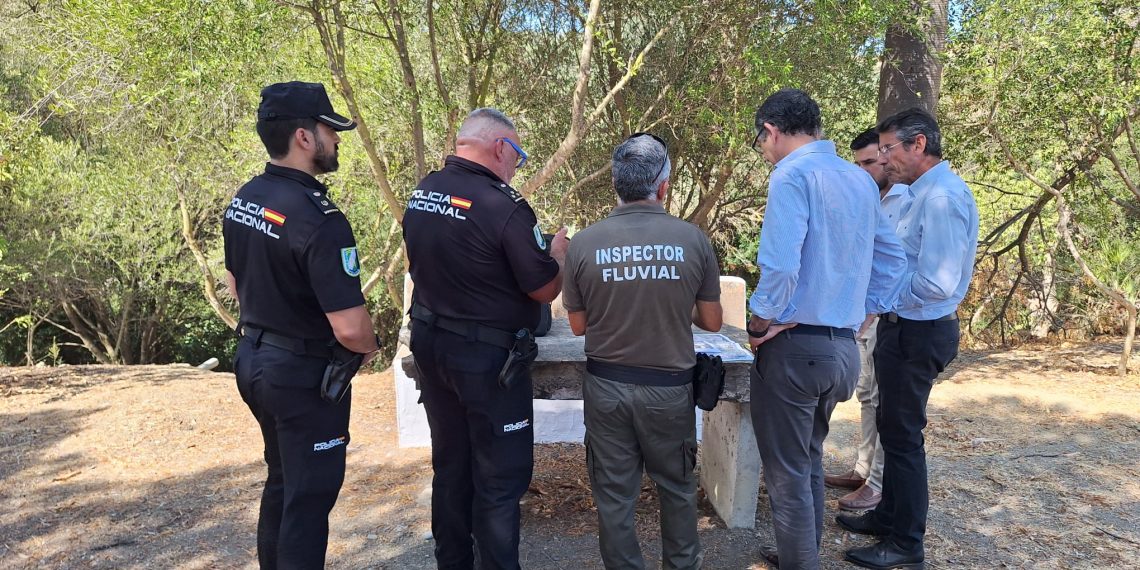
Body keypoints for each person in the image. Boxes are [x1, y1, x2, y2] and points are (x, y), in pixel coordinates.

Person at [744, 89, 907, 570]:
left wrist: (758, 323)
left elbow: (779, 264)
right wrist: (865, 311)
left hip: (794, 349)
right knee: (809, 456)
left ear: (771, 131)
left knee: (788, 473)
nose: (764, 151)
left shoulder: (792, 175)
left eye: (761, 142)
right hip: (841, 351)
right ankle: (803, 551)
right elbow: (894, 259)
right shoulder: (858, 180)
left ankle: (801, 562)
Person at [403, 108, 568, 570]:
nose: (518, 165)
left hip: (433, 348)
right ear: (500, 148)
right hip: (487, 362)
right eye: (518, 154)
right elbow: (542, 288)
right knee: (500, 480)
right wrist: (556, 255)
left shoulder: (423, 192)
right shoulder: (504, 205)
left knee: (451, 469)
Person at [224, 81, 380, 569]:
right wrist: (369, 347)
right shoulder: (321, 219)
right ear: (304, 138)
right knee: (309, 502)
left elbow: (234, 283)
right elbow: (351, 328)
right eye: (331, 130)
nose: (338, 140)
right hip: (302, 376)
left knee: (283, 484)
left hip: (254, 360)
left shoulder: (247, 196)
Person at [561, 133, 724, 570]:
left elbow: (578, 325)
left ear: (615, 181)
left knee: (614, 496)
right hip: (670, 392)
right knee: (676, 489)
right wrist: (673, 297)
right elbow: (711, 321)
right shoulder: (693, 240)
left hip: (607, 388)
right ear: (664, 185)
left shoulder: (584, 243)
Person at [840, 108, 979, 570]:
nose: (884, 158)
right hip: (902, 327)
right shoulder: (915, 193)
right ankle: (887, 517)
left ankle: (905, 544)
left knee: (903, 439)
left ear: (918, 145)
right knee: (891, 428)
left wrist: (882, 297)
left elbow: (938, 283)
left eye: (888, 149)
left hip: (920, 330)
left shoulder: (940, 197)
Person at [824, 128, 912, 512]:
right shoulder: (866, 195)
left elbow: (896, 260)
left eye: (870, 162)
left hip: (888, 312)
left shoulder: (906, 199)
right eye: (857, 164)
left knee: (884, 403)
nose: (863, 171)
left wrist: (875, 308)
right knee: (867, 395)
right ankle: (862, 470)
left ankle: (876, 484)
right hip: (863, 312)